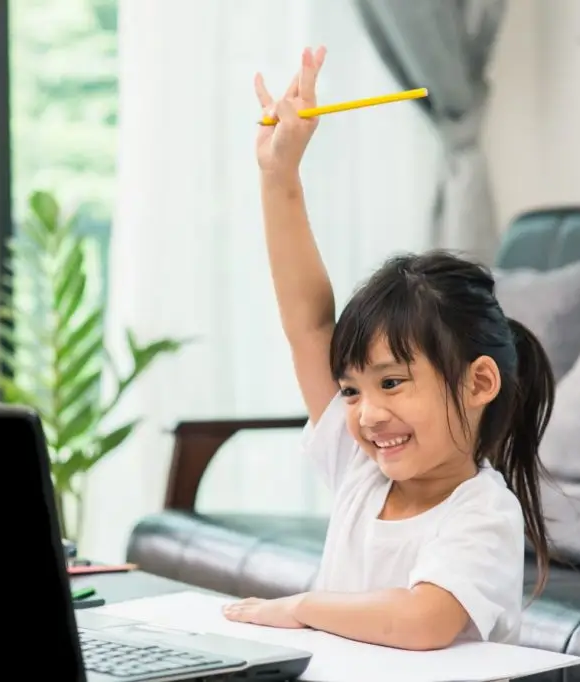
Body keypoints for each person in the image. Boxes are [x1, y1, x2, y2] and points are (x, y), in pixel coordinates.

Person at [221, 46, 555, 651]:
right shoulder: (361, 473)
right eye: (351, 390)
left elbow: (423, 622)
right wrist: (279, 176)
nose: (367, 413)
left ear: (479, 383)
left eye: (392, 383)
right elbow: (307, 323)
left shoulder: (482, 512)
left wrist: (301, 606)